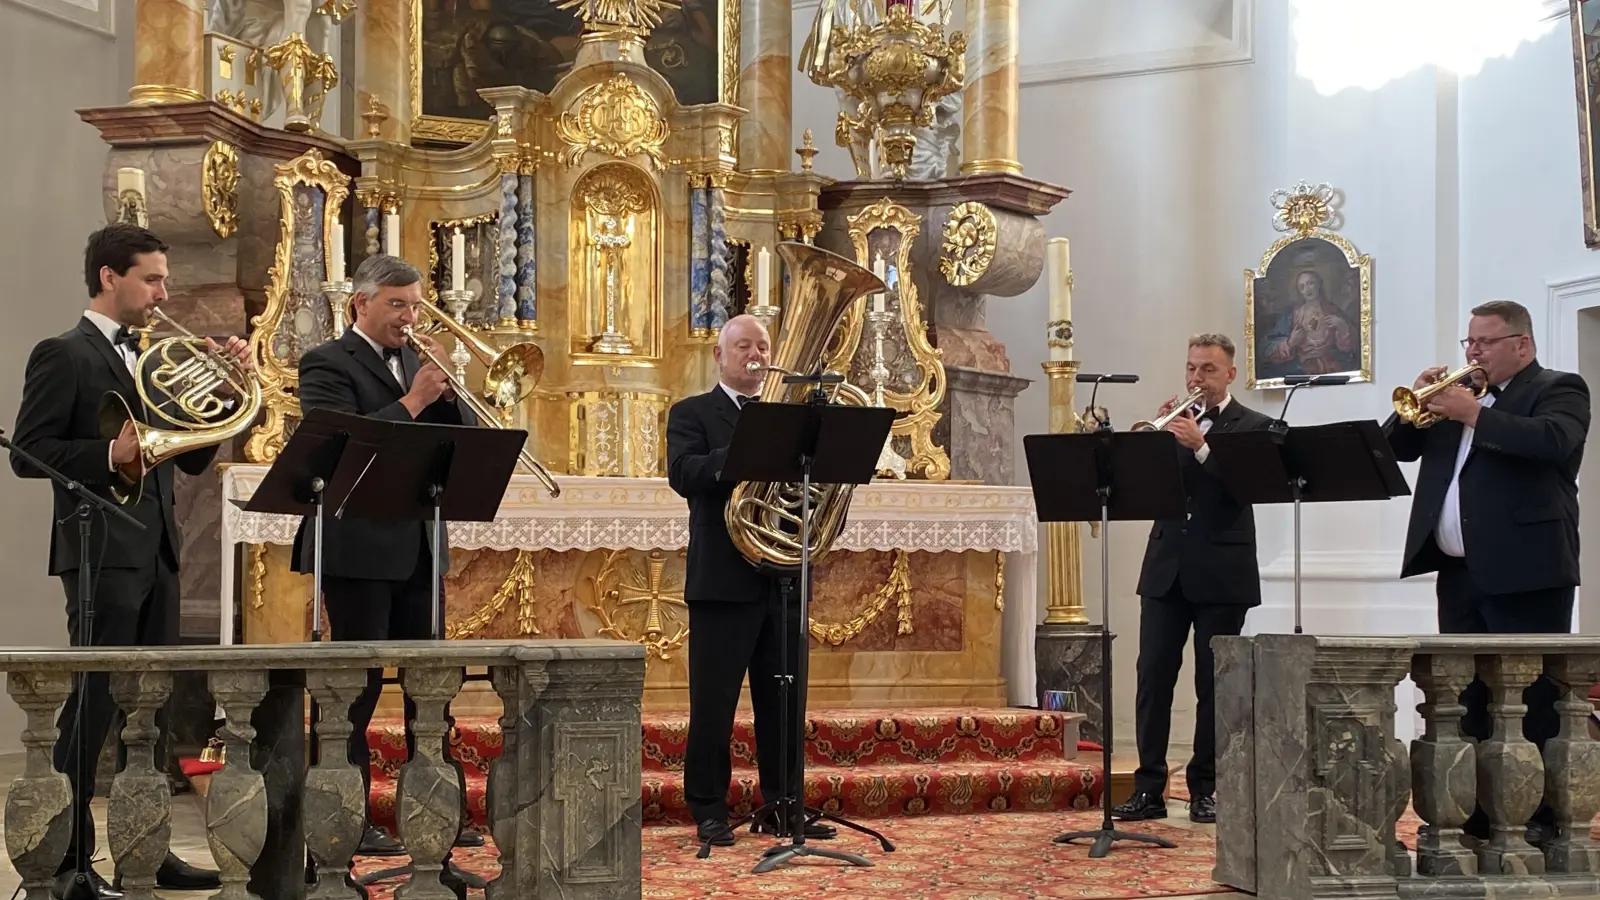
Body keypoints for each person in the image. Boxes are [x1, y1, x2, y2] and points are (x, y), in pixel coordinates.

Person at [10, 223, 237, 899]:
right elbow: (29, 450)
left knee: (152, 711)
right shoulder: (64, 353)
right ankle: (67, 860)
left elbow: (190, 456)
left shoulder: (152, 355)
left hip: (157, 549)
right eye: (152, 278)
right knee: (95, 705)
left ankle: (149, 851)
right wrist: (111, 454)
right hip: (102, 551)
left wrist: (225, 390)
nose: (164, 292)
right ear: (110, 277)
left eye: (165, 278)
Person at [290, 254, 485, 870]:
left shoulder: (415, 362)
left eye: (415, 305)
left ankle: (434, 811)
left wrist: (448, 393)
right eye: (397, 304)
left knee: (432, 685)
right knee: (357, 687)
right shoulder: (327, 362)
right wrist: (414, 399)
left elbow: (458, 442)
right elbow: (340, 443)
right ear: (361, 303)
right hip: (357, 546)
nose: (409, 317)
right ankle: (345, 815)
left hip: (418, 543)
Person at [1383, 299, 1590, 845]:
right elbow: (1393, 450)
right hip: (1459, 573)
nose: (1473, 353)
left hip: (1529, 571)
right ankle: (1473, 818)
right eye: (1469, 342)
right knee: (1466, 698)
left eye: (1485, 342)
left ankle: (1538, 819)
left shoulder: (1558, 388)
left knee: (1532, 700)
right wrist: (1414, 404)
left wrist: (1473, 414)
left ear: (1521, 344)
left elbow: (1553, 442)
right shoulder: (1457, 401)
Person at [665, 314, 837, 847]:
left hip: (784, 576)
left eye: (762, 346)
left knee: (785, 700)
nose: (755, 355)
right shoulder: (692, 412)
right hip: (723, 580)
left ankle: (784, 804)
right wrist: (749, 451)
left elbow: (823, 484)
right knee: (714, 703)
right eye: (743, 346)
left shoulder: (794, 418)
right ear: (719, 355)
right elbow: (685, 474)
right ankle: (709, 808)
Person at [1113, 333, 1274, 825]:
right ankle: (1149, 788)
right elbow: (1143, 487)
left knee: (1214, 684)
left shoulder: (1255, 425)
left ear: (1230, 374)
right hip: (1166, 569)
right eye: (1191, 368)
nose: (1196, 378)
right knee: (1153, 679)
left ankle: (1205, 788)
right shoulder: (1174, 422)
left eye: (1207, 369)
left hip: (1222, 573)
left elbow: (1248, 488)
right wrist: (1156, 442)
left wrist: (1202, 448)